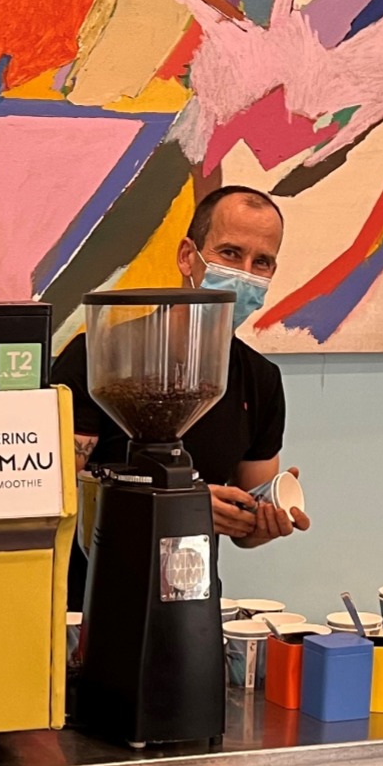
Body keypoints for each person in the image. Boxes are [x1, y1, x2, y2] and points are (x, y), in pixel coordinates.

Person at [54, 184, 309, 599]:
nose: (244, 273)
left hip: (190, 600)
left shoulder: (260, 380)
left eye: (261, 262)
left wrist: (263, 520)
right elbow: (58, 496)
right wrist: (181, 507)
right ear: (187, 256)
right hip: (90, 602)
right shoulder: (99, 358)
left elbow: (245, 522)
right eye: (230, 253)